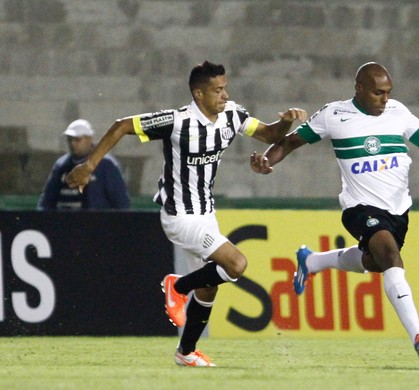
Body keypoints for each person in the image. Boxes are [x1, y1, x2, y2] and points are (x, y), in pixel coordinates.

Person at [250, 62, 419, 362]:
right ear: (359, 88)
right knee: (390, 257)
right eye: (378, 93)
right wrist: (268, 161)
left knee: (376, 262)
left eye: (388, 93)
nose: (384, 99)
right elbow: (290, 141)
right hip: (359, 207)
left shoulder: (398, 112)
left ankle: (312, 261)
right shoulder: (335, 114)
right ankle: (418, 335)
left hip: (399, 210)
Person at [67, 61, 307, 367]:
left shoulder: (232, 114)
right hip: (179, 215)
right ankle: (177, 286)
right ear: (198, 93)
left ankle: (187, 352)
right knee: (236, 263)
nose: (224, 95)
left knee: (208, 286)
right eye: (217, 90)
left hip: (206, 213)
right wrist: (89, 165)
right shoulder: (177, 121)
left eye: (225, 88)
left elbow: (271, 134)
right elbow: (122, 125)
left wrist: (286, 121)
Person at [37, 119, 130, 210]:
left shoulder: (106, 165)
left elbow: (121, 202)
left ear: (89, 139)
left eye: (77, 139)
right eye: (70, 139)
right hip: (65, 222)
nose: (73, 143)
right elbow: (47, 200)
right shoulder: (61, 165)